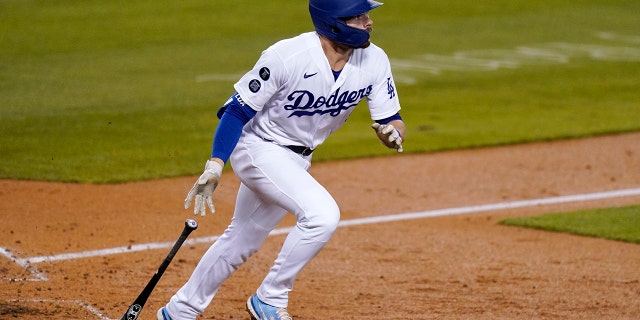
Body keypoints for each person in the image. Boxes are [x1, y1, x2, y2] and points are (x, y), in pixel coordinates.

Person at [157, 0, 405, 319]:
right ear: (333, 21)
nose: (369, 22)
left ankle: (179, 311)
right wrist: (215, 164)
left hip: (296, 159)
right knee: (322, 214)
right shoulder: (287, 56)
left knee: (241, 241)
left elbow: (392, 118)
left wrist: (391, 133)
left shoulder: (375, 60)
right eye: (359, 17)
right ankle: (270, 298)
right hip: (258, 148)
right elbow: (237, 110)